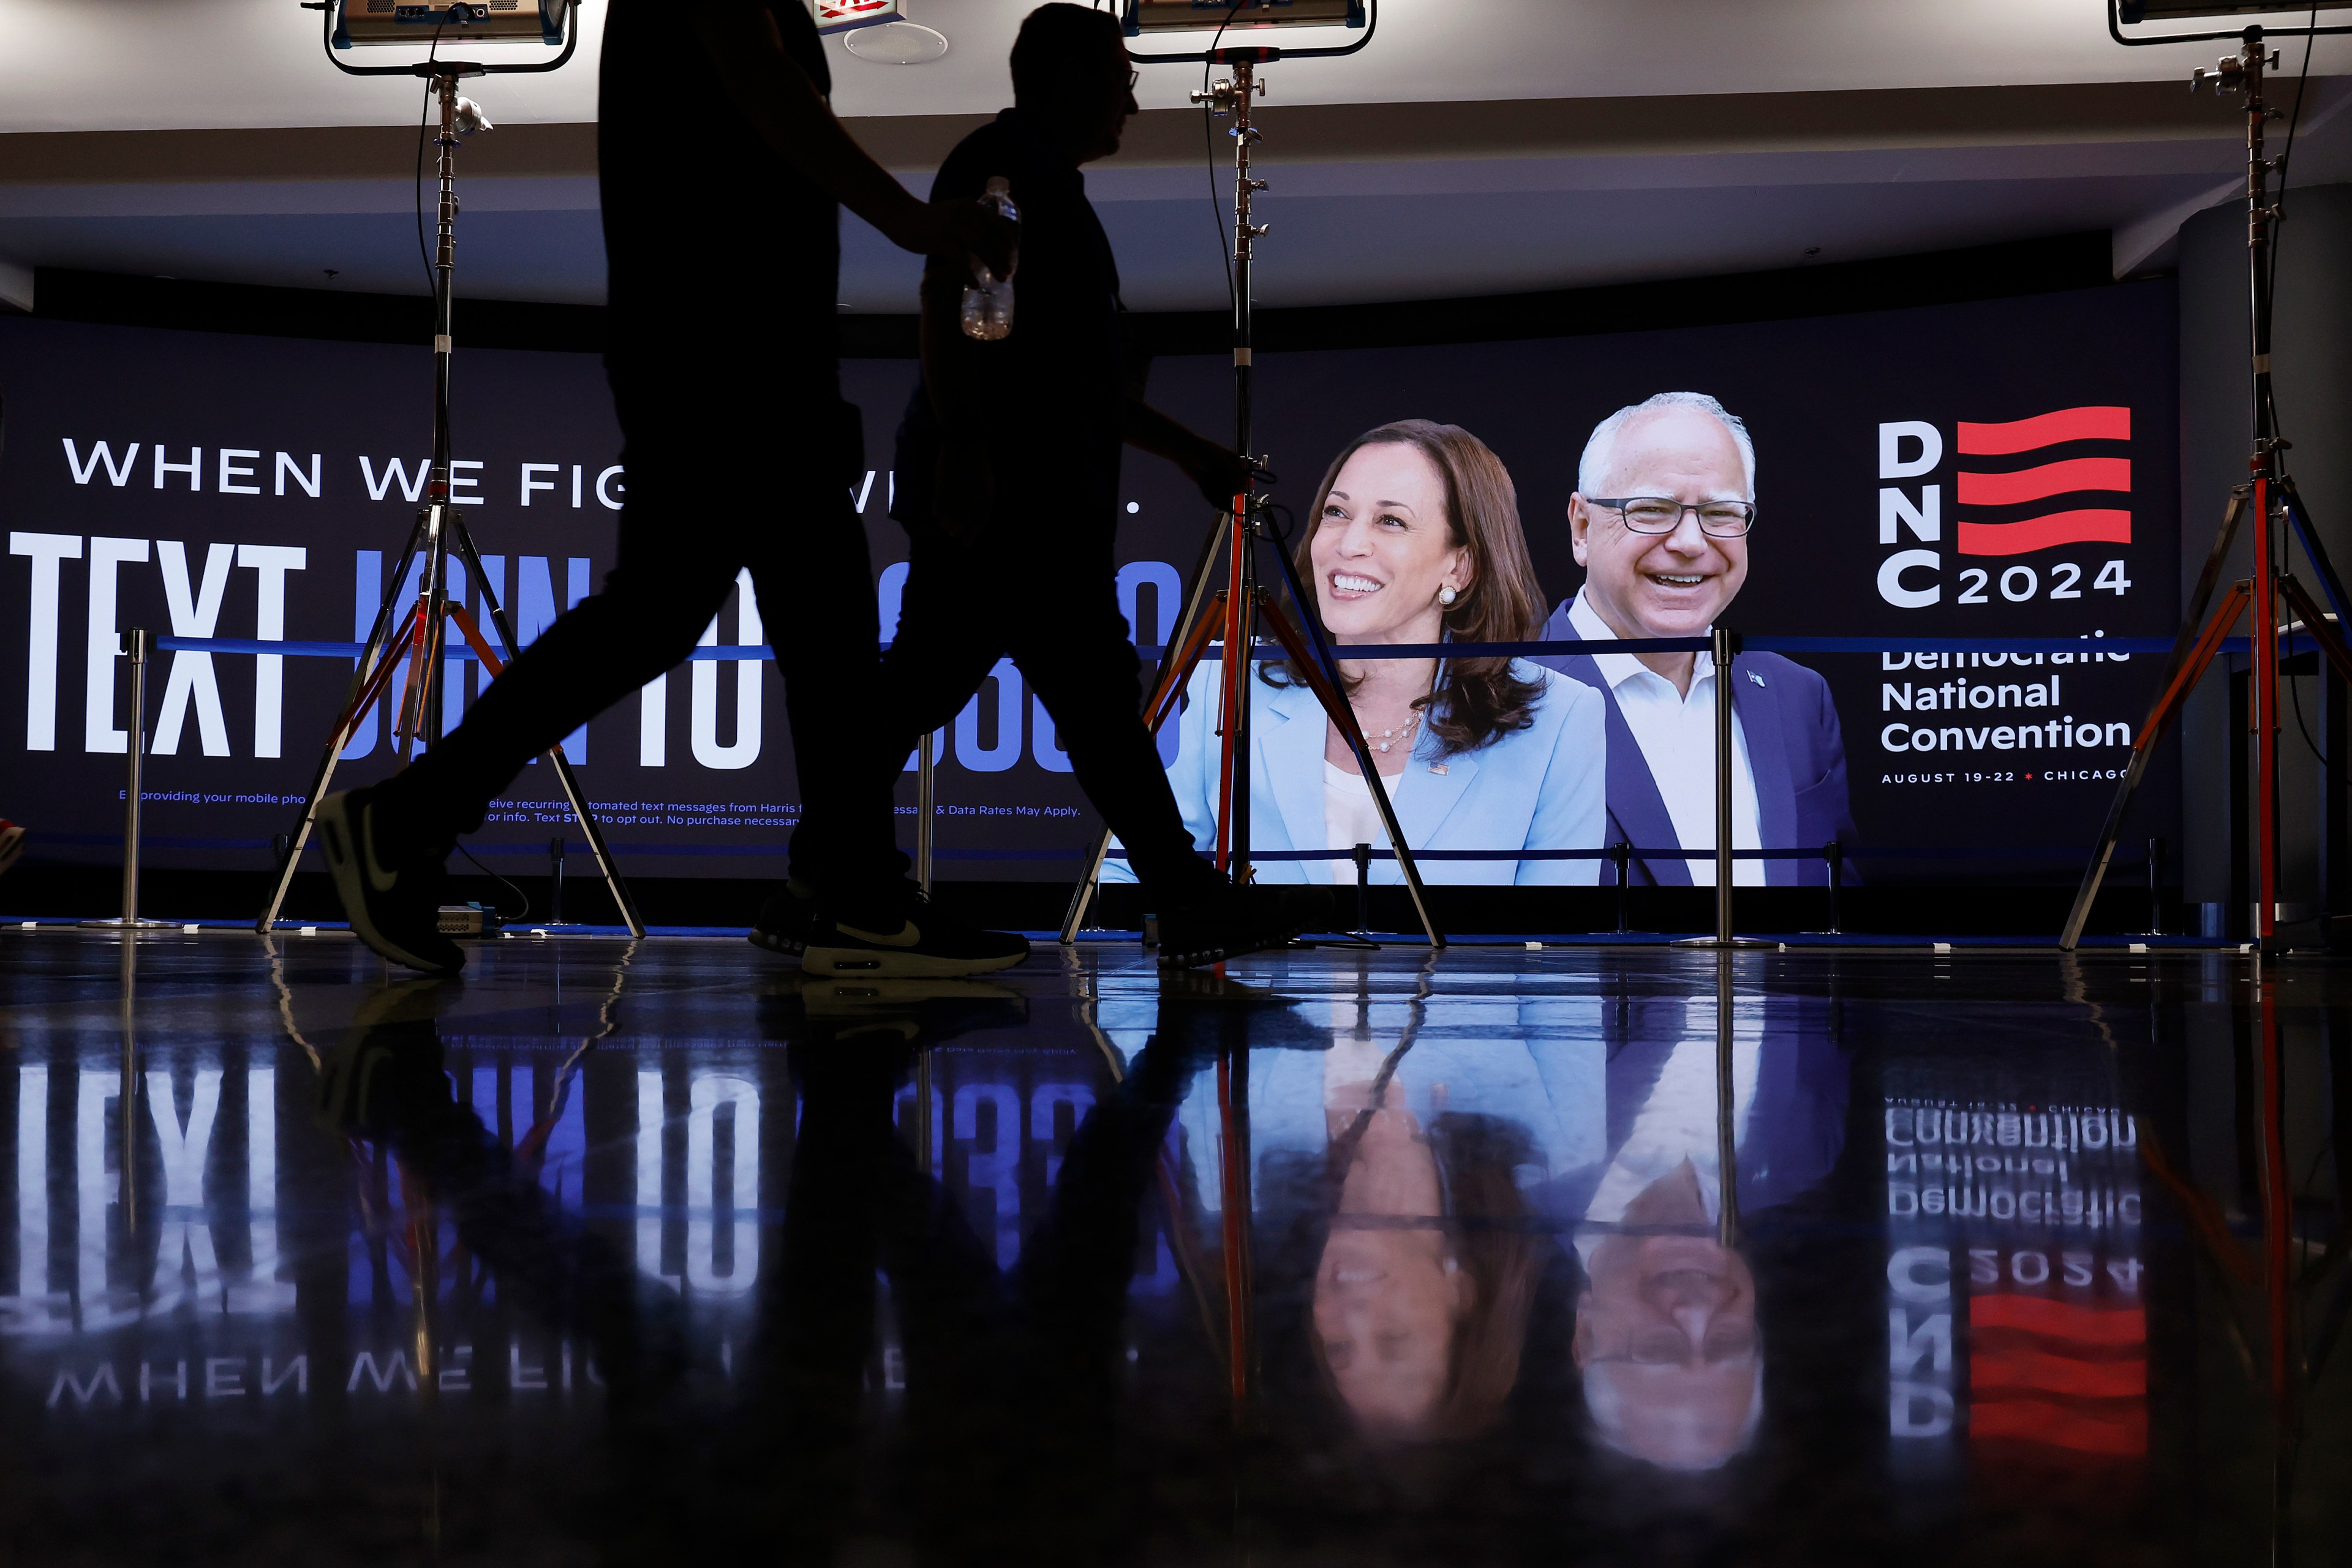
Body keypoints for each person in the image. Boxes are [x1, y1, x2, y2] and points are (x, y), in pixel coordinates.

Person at [315, 0, 1024, 978]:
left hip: (733, 353)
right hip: (719, 354)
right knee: (784, 621)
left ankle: (846, 885)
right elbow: (758, 86)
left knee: (727, 617)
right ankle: (850, 890)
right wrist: (911, 220)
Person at [848, 3, 1326, 968]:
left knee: (1047, 695)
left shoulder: (1045, 186)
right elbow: (956, 305)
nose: (1134, 100)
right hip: (1007, 504)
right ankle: (833, 876)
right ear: (1065, 79)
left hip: (1034, 503)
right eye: (1118, 76)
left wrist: (1191, 454)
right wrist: (969, 448)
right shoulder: (1005, 173)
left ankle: (834, 874)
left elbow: (1078, 385)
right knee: (990, 690)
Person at [1108, 419, 1606, 886]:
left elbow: (1558, 941)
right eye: (1337, 512)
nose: (1349, 543)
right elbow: (1122, 879)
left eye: (1391, 521)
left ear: (1461, 566)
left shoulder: (1561, 718)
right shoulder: (1228, 677)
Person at [1532, 393, 1856, 888]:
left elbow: (1839, 906)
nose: (1689, 543)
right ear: (1581, 527)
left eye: (1722, 512)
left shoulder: (1798, 697)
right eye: (1653, 509)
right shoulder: (1501, 695)